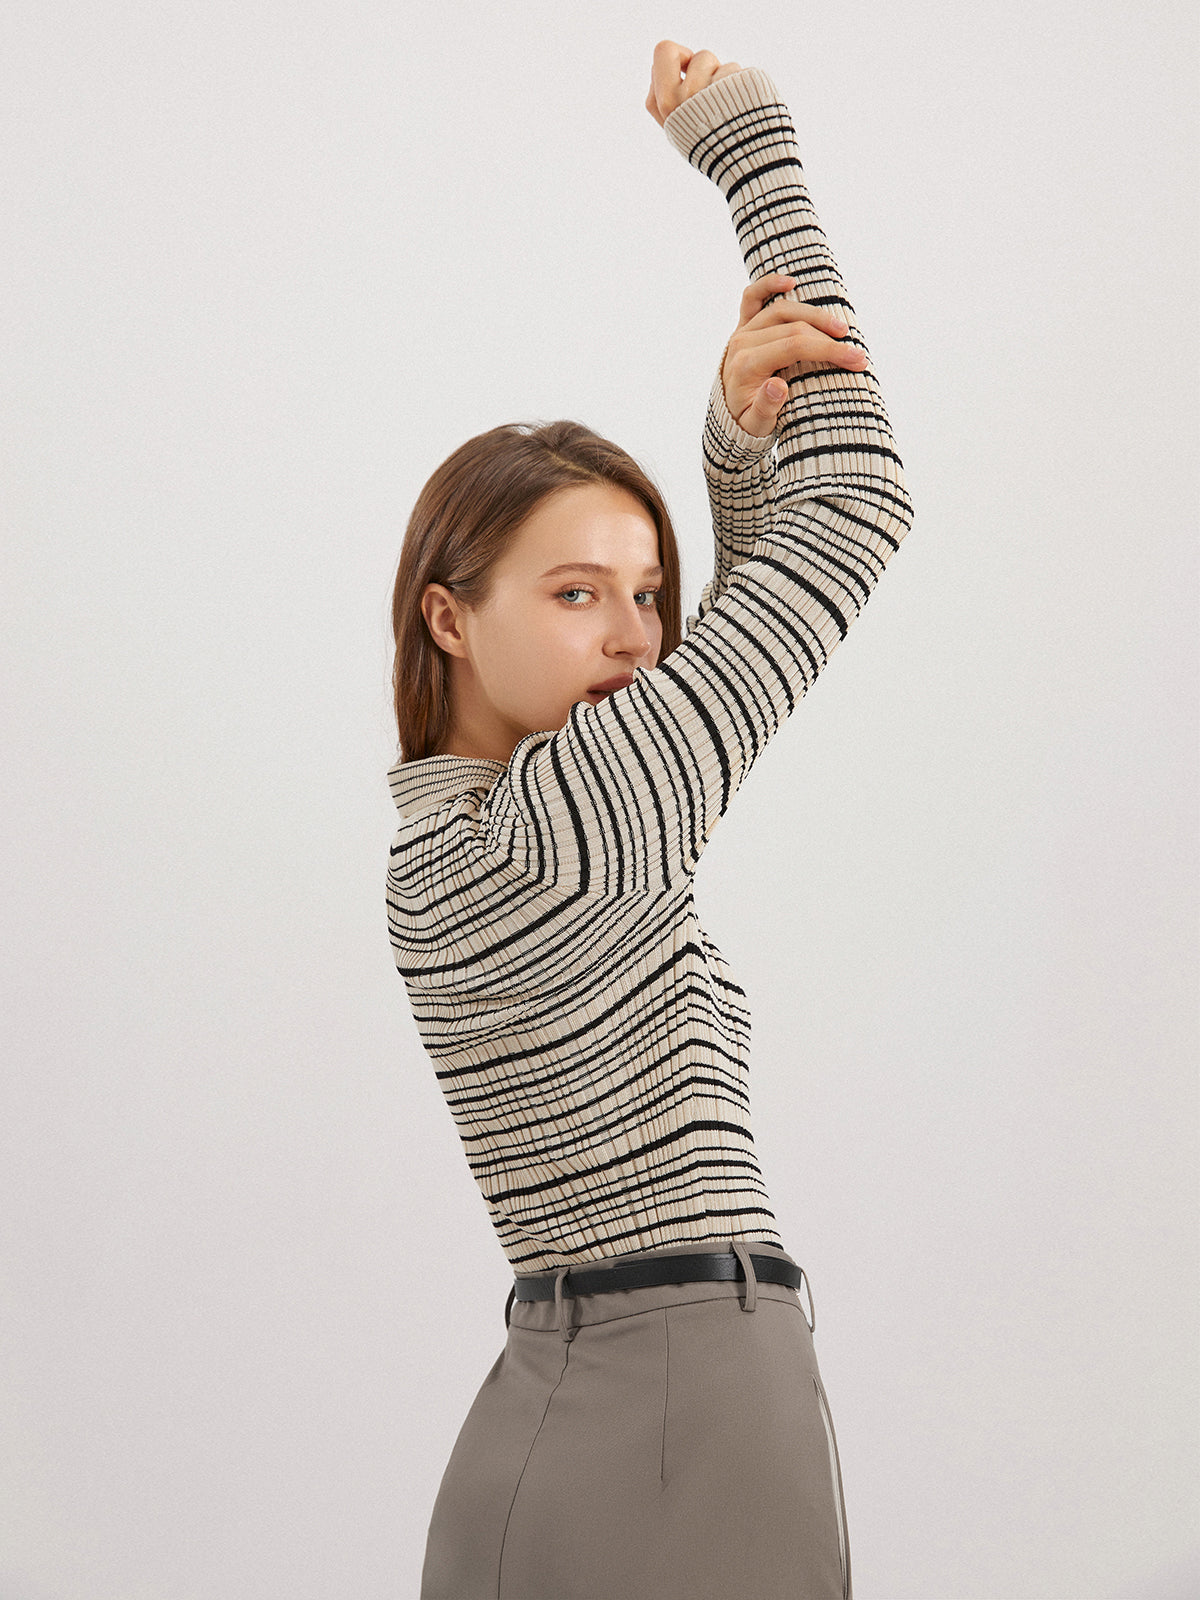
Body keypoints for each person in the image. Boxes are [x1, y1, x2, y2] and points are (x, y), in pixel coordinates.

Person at [386, 40, 912, 1600]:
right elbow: (862, 501)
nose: (634, 636)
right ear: (450, 619)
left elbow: (700, 700)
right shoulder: (570, 814)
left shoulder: (459, 843)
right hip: (694, 1397)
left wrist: (735, 455)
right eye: (575, 594)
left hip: (560, 1405)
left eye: (647, 592)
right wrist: (752, 152)